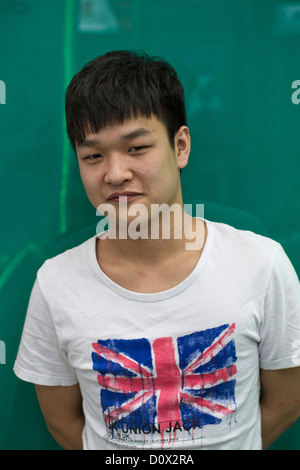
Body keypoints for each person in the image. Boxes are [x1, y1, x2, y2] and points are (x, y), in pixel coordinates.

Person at [14, 50, 300, 451]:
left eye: (136, 148)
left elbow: (288, 398)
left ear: (180, 146)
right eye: (93, 155)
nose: (115, 174)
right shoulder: (55, 283)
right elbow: (61, 420)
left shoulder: (261, 264)